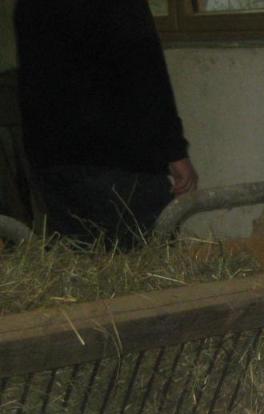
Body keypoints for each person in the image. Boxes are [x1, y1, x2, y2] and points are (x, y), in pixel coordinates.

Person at [14, 0, 199, 249]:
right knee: (145, 266)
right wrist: (174, 150)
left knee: (79, 265)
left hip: (53, 157)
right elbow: (145, 71)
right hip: (119, 158)